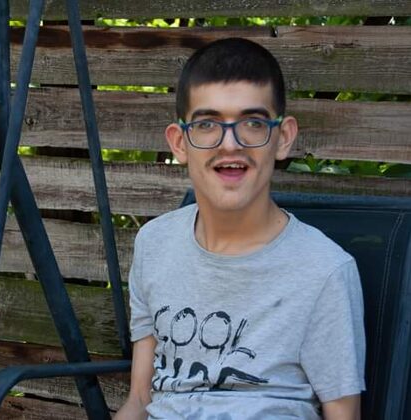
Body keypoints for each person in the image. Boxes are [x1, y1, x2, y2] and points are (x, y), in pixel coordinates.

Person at [115, 38, 365, 420]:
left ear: (283, 138)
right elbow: (139, 399)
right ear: (180, 143)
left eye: (253, 123)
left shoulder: (325, 272)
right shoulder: (154, 244)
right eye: (207, 124)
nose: (230, 144)